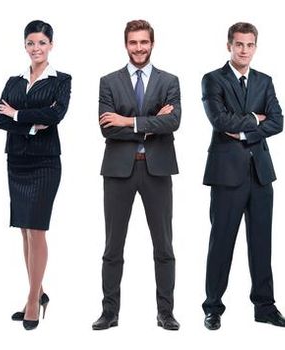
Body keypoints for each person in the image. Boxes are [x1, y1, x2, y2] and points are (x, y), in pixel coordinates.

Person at [199, 21, 285, 331]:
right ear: (229, 45)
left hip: (260, 174)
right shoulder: (213, 79)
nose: (244, 50)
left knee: (261, 243)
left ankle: (265, 307)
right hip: (226, 174)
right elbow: (218, 119)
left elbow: (278, 121)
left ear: (255, 47)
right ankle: (213, 307)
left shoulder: (264, 81)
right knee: (221, 243)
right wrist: (255, 118)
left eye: (249, 45)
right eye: (239, 44)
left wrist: (240, 131)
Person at [94, 19, 185, 331]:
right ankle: (109, 312)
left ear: (152, 43)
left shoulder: (169, 81)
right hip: (118, 171)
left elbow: (173, 123)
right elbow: (106, 127)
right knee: (113, 246)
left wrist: (128, 121)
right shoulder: (109, 81)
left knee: (164, 246)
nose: (139, 48)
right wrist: (148, 124)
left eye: (143, 42)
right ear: (126, 44)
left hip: (157, 170)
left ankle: (166, 312)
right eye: (133, 42)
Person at [0, 19, 68, 331]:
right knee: (24, 229)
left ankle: (32, 299)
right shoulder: (14, 80)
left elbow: (56, 114)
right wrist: (31, 123)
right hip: (17, 162)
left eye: (41, 43)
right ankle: (37, 292)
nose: (36, 48)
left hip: (45, 163)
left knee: (37, 229)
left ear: (51, 45)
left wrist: (18, 115)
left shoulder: (61, 80)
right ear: (25, 46)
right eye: (30, 43)